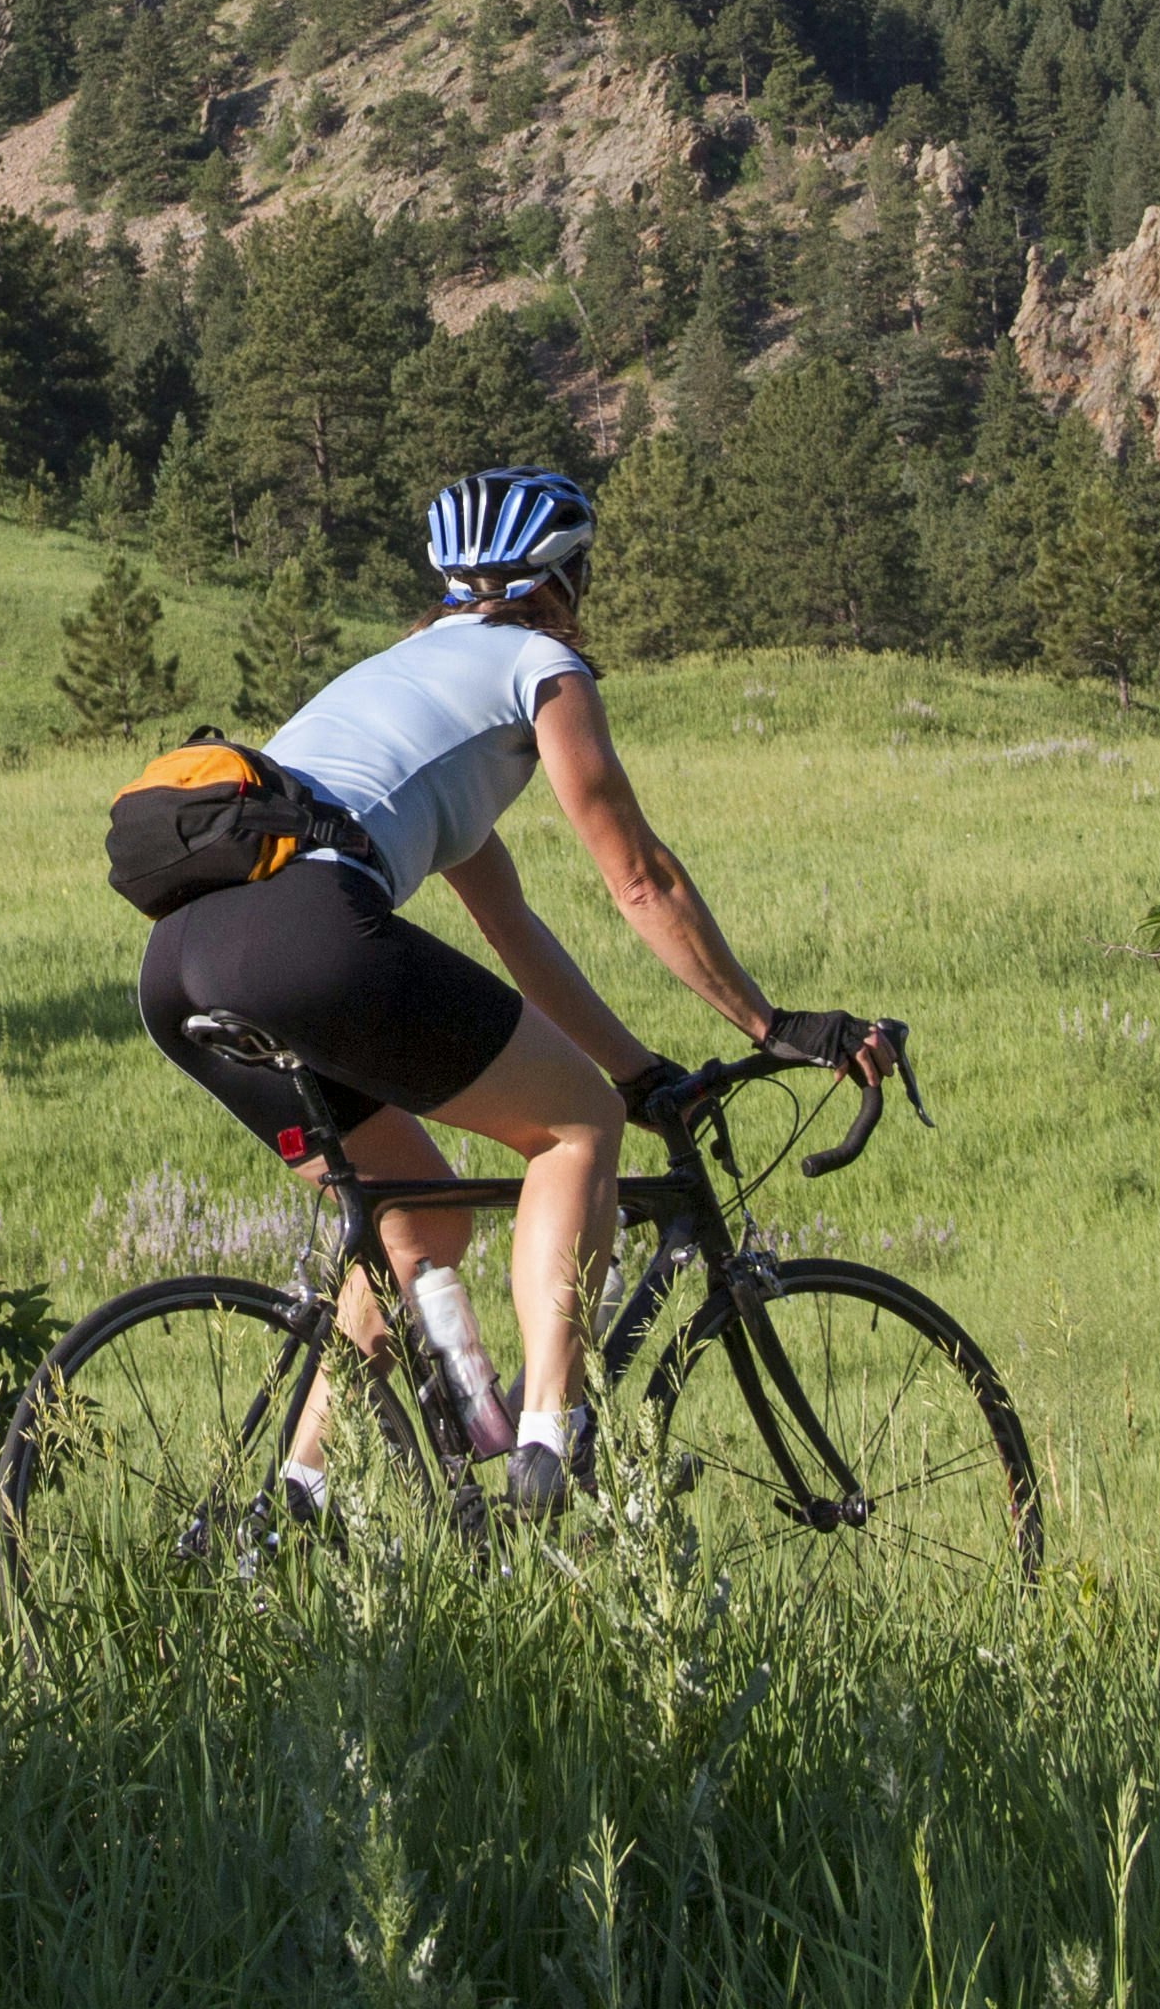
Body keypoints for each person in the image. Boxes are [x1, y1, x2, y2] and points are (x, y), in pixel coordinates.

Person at [135, 463, 893, 1515]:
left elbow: (513, 930)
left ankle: (290, 1506)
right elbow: (640, 876)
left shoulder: (405, 685)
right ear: (564, 581)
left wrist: (637, 1070)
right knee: (573, 1127)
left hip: (181, 966)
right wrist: (770, 1024)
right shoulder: (541, 667)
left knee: (418, 1225)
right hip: (307, 937)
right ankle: (548, 1440)